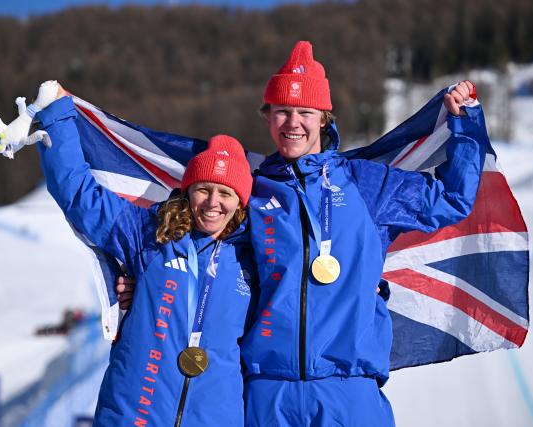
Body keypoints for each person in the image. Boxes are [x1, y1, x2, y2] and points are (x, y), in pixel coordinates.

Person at [116, 41, 486, 426]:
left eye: (304, 112)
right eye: (282, 112)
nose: (293, 123)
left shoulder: (366, 185)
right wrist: (144, 284)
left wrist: (465, 125)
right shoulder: (251, 195)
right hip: (268, 391)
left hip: (348, 386)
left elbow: (452, 199)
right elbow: (200, 251)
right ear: (268, 116)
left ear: (323, 118)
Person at [34, 81, 256, 426]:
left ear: (240, 202)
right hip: (134, 413)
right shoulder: (149, 234)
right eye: (204, 190)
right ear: (188, 191)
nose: (213, 203)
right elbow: (78, 195)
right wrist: (58, 115)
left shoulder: (253, 257)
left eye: (225, 193)